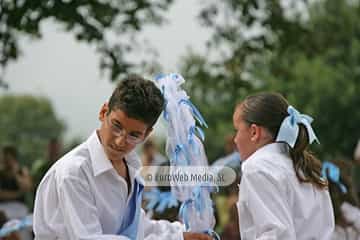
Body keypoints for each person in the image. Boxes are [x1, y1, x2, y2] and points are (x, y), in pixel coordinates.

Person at [33, 75, 211, 240]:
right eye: (116, 126)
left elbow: (137, 228)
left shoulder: (131, 165)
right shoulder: (74, 172)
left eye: (133, 135)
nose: (120, 141)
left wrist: (181, 235)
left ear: (147, 134)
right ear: (104, 112)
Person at [233, 92, 334, 239]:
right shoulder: (307, 168)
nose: (235, 139)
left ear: (254, 132)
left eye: (237, 130)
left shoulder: (257, 168)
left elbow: (276, 234)